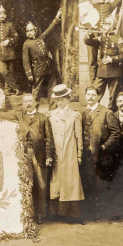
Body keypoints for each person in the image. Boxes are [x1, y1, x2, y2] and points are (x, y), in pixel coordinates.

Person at [0, 94, 54, 224]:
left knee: (41, 185)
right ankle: (29, 213)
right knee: (27, 184)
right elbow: (2, 115)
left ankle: (41, 214)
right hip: (24, 155)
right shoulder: (19, 116)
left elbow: (49, 139)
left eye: (30, 101)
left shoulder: (43, 118)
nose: (28, 103)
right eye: (25, 101)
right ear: (22, 104)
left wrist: (49, 156)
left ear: (35, 102)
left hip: (40, 155)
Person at [81, 86, 121, 219]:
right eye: (88, 95)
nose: (91, 97)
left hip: (101, 155)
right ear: (85, 96)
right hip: (86, 154)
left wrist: (104, 146)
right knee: (87, 182)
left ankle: (101, 213)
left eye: (93, 95)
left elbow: (116, 133)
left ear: (98, 97)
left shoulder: (106, 112)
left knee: (100, 183)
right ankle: (90, 212)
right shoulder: (83, 113)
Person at [47, 84, 85, 224]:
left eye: (62, 99)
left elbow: (78, 136)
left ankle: (73, 215)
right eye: (57, 100)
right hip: (56, 153)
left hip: (70, 153)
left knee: (71, 182)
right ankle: (56, 215)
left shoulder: (74, 115)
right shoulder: (50, 115)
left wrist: (79, 154)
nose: (59, 102)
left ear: (68, 99)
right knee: (56, 181)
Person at [83, 16, 123, 112]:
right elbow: (88, 42)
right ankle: (92, 113)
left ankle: (112, 117)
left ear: (111, 25)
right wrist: (89, 34)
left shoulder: (118, 39)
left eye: (106, 24)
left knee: (113, 98)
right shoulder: (101, 38)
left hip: (114, 72)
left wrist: (112, 59)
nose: (104, 26)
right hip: (101, 72)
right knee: (94, 93)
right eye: (104, 24)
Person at [22, 8, 63, 104]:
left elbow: (49, 29)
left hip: (49, 67)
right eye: (27, 31)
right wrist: (29, 75)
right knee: (36, 91)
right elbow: (25, 61)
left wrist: (57, 17)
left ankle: (52, 110)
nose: (29, 32)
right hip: (38, 69)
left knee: (52, 89)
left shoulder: (41, 39)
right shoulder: (26, 44)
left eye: (31, 30)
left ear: (35, 30)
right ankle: (33, 109)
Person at [86, 0, 123, 82]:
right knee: (92, 59)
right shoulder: (93, 7)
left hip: (105, 36)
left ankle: (107, 78)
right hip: (94, 35)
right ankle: (93, 81)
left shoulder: (109, 6)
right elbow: (86, 19)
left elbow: (117, 0)